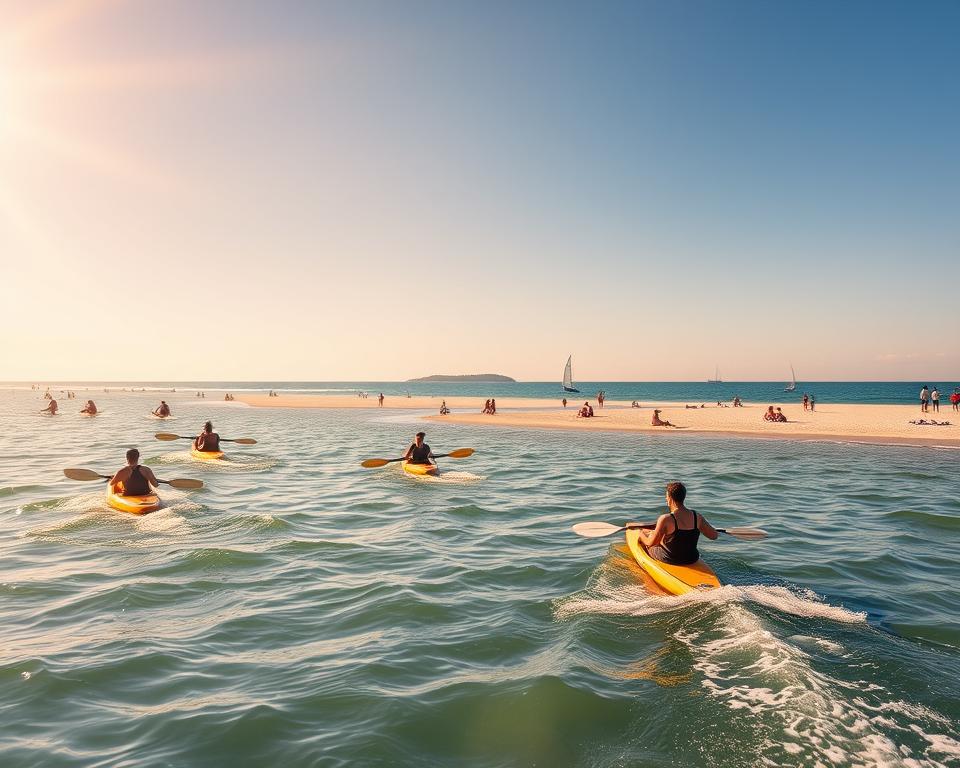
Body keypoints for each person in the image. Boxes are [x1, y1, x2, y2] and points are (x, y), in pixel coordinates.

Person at [635, 482, 718, 565]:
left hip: (672, 559)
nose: (666, 499)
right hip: (692, 559)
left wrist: (641, 534)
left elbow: (651, 543)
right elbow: (714, 536)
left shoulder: (665, 519)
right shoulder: (697, 516)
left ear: (670, 498)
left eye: (666, 496)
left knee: (650, 546)